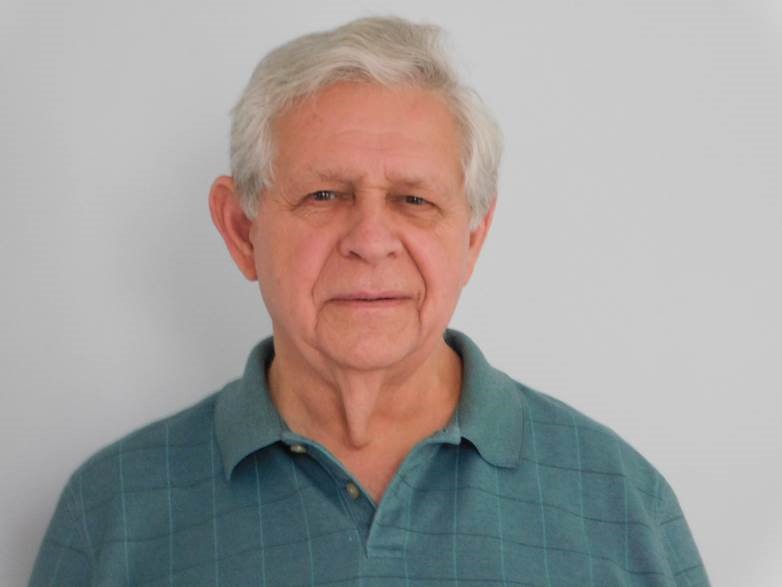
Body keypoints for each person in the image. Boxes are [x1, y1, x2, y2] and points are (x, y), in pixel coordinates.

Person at [30, 16, 709, 586]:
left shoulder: (623, 507)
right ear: (241, 230)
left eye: (414, 199)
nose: (370, 241)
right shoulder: (111, 516)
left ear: (473, 237)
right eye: (324, 195)